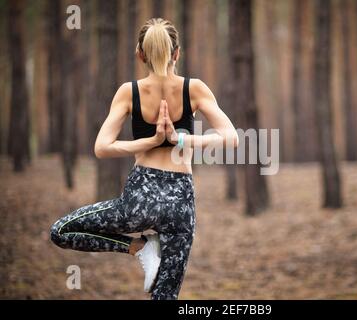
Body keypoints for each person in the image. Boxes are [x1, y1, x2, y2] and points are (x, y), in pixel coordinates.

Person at [50, 17, 239, 300]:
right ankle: (145, 250)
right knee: (166, 297)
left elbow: (102, 147)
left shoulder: (130, 92)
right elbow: (231, 138)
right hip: (180, 204)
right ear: (177, 53)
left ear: (140, 55)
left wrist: (147, 143)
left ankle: (138, 247)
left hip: (139, 200)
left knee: (61, 231)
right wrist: (182, 140)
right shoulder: (194, 88)